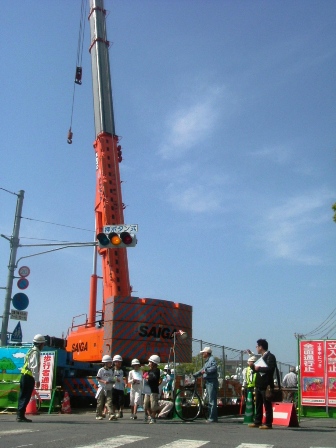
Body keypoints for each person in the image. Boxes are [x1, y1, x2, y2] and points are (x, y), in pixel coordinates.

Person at [248, 338, 277, 430]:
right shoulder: (261, 357)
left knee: (267, 404)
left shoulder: (270, 356)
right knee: (258, 404)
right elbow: (257, 370)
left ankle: (268, 423)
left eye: (257, 346)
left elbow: (271, 369)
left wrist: (259, 368)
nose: (256, 348)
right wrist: (253, 367)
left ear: (261, 347)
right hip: (259, 384)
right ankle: (257, 421)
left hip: (266, 385)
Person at [17, 334, 46, 422]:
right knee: (25, 396)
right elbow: (34, 367)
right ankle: (20, 416)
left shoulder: (30, 351)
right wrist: (37, 380)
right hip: (28, 377)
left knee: (22, 395)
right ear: (40, 344)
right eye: (43, 344)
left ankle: (20, 415)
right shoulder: (35, 352)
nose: (43, 346)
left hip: (24, 375)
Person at [193, 346, 218, 423]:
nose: (202, 354)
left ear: (207, 353)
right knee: (210, 399)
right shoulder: (208, 361)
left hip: (211, 381)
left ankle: (212, 418)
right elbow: (202, 370)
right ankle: (212, 417)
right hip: (208, 381)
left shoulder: (211, 360)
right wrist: (196, 374)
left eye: (203, 353)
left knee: (211, 400)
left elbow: (214, 368)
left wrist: (206, 371)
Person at [95, 355, 114, 420]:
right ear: (105, 363)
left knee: (109, 401)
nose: (111, 364)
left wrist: (113, 381)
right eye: (109, 362)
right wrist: (103, 381)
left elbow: (112, 378)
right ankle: (98, 415)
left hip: (109, 388)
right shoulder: (101, 370)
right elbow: (98, 378)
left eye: (111, 362)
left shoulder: (111, 371)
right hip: (102, 388)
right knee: (100, 402)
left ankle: (111, 414)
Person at [144, 354, 161, 424]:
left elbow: (154, 378)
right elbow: (146, 377)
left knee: (153, 405)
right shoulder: (149, 371)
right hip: (147, 390)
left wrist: (148, 378)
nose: (149, 364)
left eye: (150, 362)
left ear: (154, 363)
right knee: (146, 404)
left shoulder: (157, 371)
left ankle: (153, 417)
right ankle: (150, 415)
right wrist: (147, 378)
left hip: (154, 390)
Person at [111, 354, 126, 419]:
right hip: (114, 387)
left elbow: (126, 377)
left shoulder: (122, 370)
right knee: (114, 401)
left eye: (120, 362)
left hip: (121, 388)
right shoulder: (112, 370)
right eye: (118, 362)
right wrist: (115, 379)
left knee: (121, 401)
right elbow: (110, 377)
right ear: (114, 362)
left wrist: (126, 384)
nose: (119, 363)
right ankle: (113, 413)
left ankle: (120, 411)